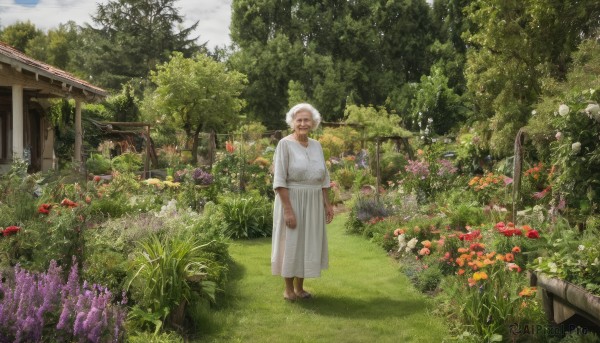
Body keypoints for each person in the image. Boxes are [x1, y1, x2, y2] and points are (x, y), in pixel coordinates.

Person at [271, 103, 334, 301]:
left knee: (308, 243)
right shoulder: (285, 144)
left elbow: (323, 178)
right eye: (299, 120)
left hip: (314, 201)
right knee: (291, 243)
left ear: (313, 123)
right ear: (292, 123)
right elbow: (279, 179)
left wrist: (327, 203)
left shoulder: (317, 145)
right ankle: (288, 288)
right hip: (292, 199)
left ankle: (300, 287)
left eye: (307, 120)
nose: (303, 123)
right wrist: (288, 210)